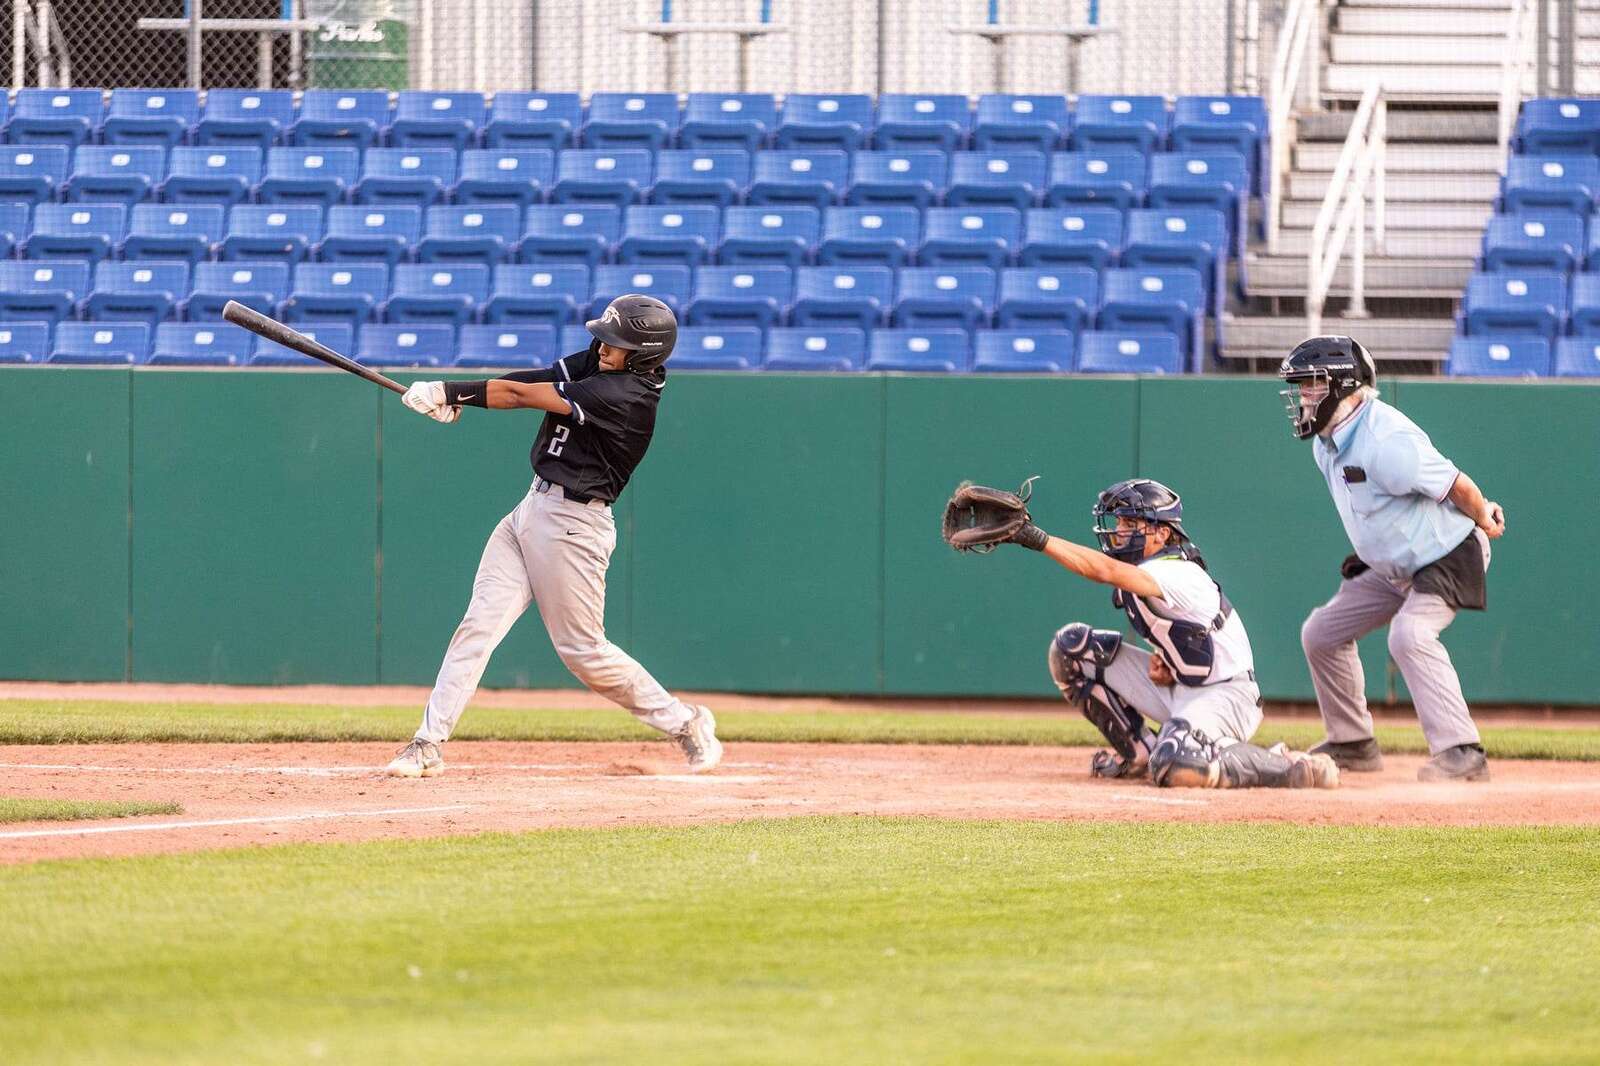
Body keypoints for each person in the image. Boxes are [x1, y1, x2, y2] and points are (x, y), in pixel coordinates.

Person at [382, 294, 722, 778]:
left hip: (574, 528)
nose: (604, 346)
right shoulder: (601, 362)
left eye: (618, 342)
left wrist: (447, 390)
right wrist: (457, 398)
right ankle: (427, 742)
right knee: (477, 627)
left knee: (584, 652)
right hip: (529, 510)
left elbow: (522, 397)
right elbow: (534, 381)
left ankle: (684, 722)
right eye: (605, 336)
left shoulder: (627, 397)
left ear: (644, 354)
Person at [953, 477, 1339, 789]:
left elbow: (1101, 570)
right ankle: (1139, 753)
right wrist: (1166, 662)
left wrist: (1034, 538)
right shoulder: (1147, 569)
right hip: (1183, 686)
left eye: (1130, 523)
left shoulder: (1175, 571)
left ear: (1162, 533)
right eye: (1119, 522)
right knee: (1073, 650)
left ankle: (1287, 767)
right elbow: (1181, 634)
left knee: (1177, 764)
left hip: (1228, 696)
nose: (1119, 531)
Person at [1278, 336, 1504, 782]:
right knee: (1321, 633)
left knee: (1410, 635)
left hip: (1448, 554)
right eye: (1300, 386)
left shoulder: (1387, 439)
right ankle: (1353, 743)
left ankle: (1463, 752)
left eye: (1311, 385)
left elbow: (1458, 485)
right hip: (1392, 567)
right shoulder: (1326, 443)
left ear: (1343, 387)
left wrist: (1485, 516)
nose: (1302, 396)